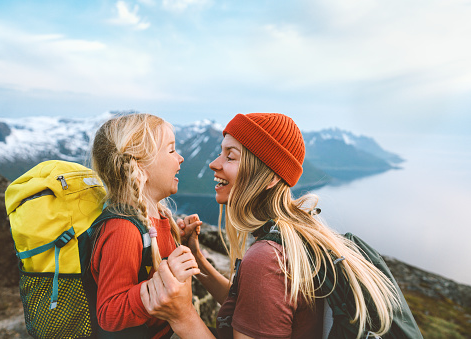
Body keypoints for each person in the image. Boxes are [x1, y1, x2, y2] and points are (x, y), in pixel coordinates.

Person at [140, 113, 402, 338]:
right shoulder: (297, 230)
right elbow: (252, 306)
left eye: (230, 157)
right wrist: (198, 259)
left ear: (268, 177)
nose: (214, 164)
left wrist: (183, 317)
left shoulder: (268, 259)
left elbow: (261, 286)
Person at [89, 113, 200, 338]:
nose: (180, 158)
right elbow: (109, 313)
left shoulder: (157, 216)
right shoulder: (123, 230)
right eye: (171, 150)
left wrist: (180, 240)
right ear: (140, 167)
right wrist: (165, 278)